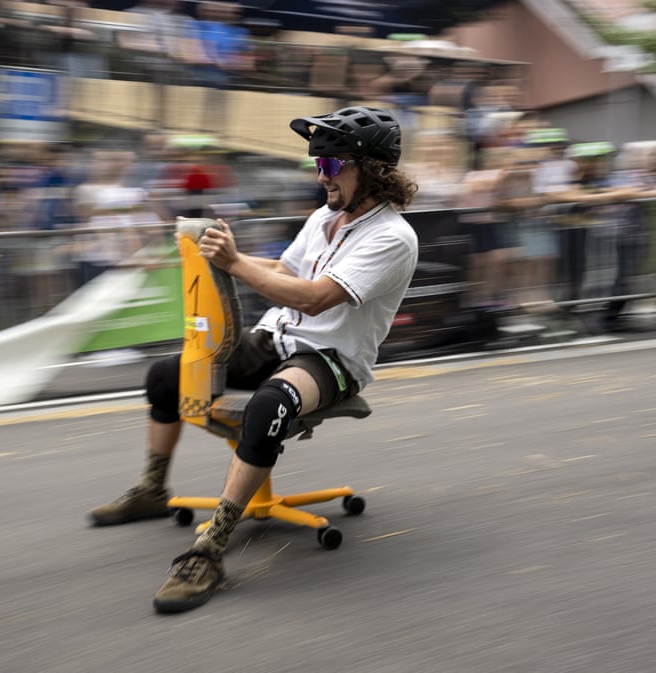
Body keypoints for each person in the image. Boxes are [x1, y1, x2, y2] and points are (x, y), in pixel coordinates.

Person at [88, 106, 419, 614]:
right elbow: (285, 269)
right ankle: (153, 488)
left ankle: (209, 549)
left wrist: (236, 264)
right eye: (318, 165)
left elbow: (313, 297)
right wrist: (220, 253)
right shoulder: (324, 218)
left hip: (330, 359)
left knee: (269, 407)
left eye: (330, 166)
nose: (320, 175)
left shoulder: (392, 238)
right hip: (277, 338)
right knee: (164, 376)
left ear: (368, 168)